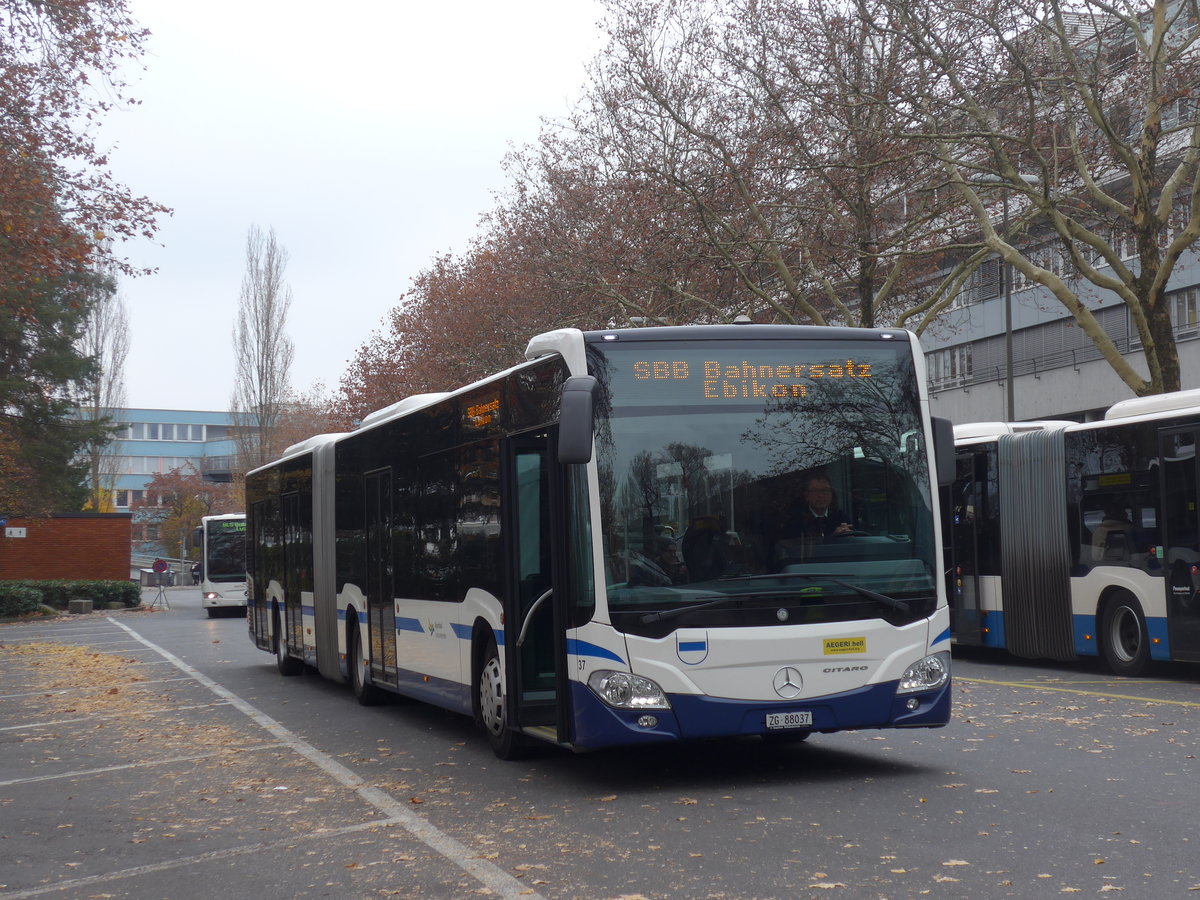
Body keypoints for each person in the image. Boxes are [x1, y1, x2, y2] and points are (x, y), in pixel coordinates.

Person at [790, 474, 854, 539]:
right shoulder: (796, 520)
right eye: (815, 491)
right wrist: (834, 537)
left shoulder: (840, 516)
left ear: (831, 494)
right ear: (806, 495)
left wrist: (847, 534)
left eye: (825, 490)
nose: (820, 495)